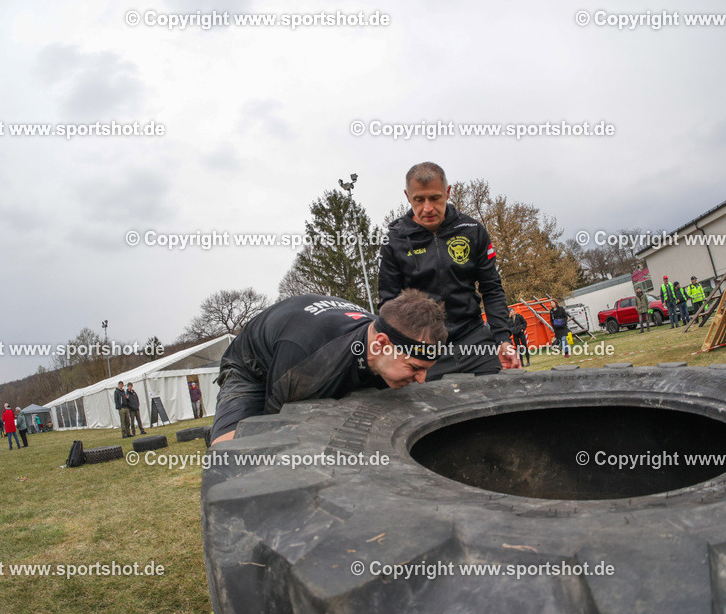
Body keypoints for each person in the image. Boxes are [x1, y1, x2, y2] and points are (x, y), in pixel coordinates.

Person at [210, 290, 446, 445]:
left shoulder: (388, 337)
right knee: (234, 451)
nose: (422, 379)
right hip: (253, 369)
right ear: (382, 344)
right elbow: (274, 427)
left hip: (309, 354)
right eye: (414, 367)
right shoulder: (308, 363)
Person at [378, 162, 520, 380]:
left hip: (474, 340)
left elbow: (491, 289)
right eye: (419, 199)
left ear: (447, 192)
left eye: (435, 198)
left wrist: (503, 339)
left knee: (501, 401)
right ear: (408, 196)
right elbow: (388, 302)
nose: (427, 208)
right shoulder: (393, 241)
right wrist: (399, 350)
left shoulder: (472, 231)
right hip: (424, 348)